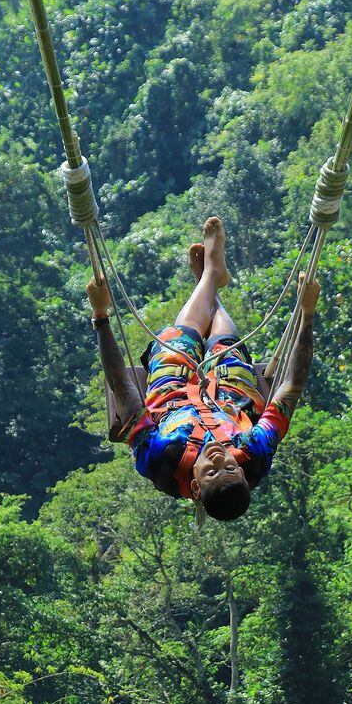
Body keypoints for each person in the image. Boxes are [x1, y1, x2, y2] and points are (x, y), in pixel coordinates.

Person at [87, 216, 320, 521]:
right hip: (230, 398)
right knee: (225, 345)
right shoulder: (254, 453)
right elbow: (291, 388)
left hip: (175, 398)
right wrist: (307, 312)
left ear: (195, 487)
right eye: (230, 466)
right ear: (243, 472)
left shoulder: (160, 457)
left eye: (212, 470)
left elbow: (122, 387)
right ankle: (210, 277)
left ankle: (209, 277)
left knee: (177, 339)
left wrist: (100, 315)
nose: (220, 457)